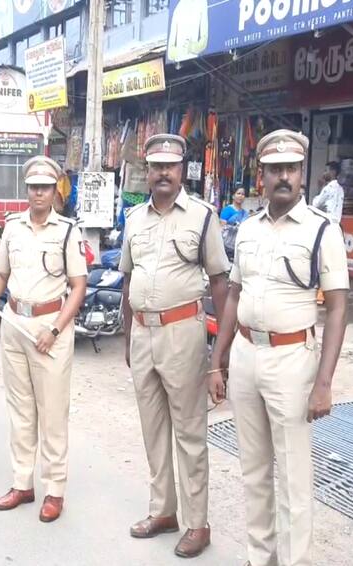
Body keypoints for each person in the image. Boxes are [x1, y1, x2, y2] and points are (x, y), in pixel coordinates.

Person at [208, 130, 349, 566]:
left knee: (293, 477)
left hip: (292, 360)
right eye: (275, 170)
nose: (283, 177)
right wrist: (219, 360)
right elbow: (233, 294)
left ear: (302, 174)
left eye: (291, 168)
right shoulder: (247, 229)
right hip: (248, 355)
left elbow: (339, 309)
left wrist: (324, 382)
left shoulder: (323, 231)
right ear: (261, 176)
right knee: (253, 468)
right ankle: (259, 555)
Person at [119, 134, 229, 558]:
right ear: (146, 170)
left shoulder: (202, 217)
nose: (163, 172)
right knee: (153, 430)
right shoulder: (134, 219)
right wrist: (129, 338)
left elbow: (220, 283)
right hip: (143, 334)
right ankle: (163, 511)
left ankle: (197, 523)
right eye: (155, 165)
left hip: (183, 332)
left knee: (189, 433)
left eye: (171, 165)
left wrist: (221, 354)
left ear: (183, 169)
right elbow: (128, 279)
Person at [0, 155, 87, 523]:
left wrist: (55, 329)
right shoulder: (12, 228)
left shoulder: (67, 231)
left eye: (45, 186)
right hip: (14, 323)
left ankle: (54, 489)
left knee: (53, 415)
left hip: (49, 329)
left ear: (53, 189)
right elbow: (1, 274)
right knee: (21, 411)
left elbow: (78, 287)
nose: (38, 193)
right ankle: (22, 483)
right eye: (33, 186)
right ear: (26, 189)